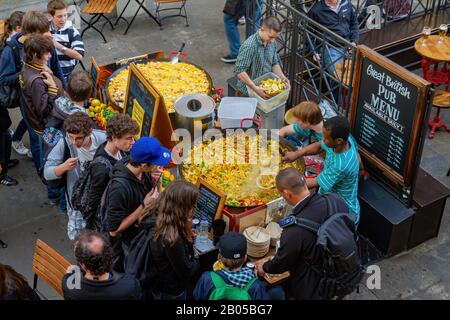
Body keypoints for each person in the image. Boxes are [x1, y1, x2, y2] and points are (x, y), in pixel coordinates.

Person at [255, 168, 349, 299]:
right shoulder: (335, 200)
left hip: (315, 285)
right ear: (305, 182)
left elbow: (282, 263)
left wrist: (264, 267)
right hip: (344, 271)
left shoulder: (294, 230)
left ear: (287, 194)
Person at [0, 11, 67, 175]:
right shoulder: (11, 50)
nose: (46, 36)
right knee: (38, 138)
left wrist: (64, 92)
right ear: (29, 32)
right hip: (29, 103)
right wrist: (27, 74)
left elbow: (56, 68)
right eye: (42, 33)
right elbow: (4, 79)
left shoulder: (44, 45)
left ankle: (53, 164)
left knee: (52, 134)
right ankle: (44, 171)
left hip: (51, 99)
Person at [103, 136, 171, 271]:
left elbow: (155, 198)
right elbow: (113, 229)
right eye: (156, 162)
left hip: (143, 233)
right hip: (131, 243)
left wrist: (159, 182)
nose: (160, 165)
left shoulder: (143, 172)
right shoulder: (120, 188)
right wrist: (143, 206)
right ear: (144, 165)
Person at [283, 116, 361, 224]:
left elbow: (315, 182)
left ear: (338, 140)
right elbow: (319, 146)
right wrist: (296, 154)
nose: (322, 140)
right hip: (328, 197)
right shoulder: (344, 141)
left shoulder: (341, 165)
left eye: (325, 138)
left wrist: (287, 183)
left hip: (341, 214)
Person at [44, 112, 106, 240]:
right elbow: (47, 173)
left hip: (101, 199)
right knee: (78, 237)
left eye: (78, 138)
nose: (74, 142)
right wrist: (63, 167)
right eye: (71, 137)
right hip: (77, 201)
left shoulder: (103, 139)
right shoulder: (64, 142)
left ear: (89, 132)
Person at [84, 114, 139, 230]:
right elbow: (93, 200)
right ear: (114, 138)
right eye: (129, 138)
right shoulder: (101, 168)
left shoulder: (121, 150)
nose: (133, 142)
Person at [194, 231, 284, 300]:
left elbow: (196, 296)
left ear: (219, 257)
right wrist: (253, 278)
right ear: (245, 258)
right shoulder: (256, 286)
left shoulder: (206, 278)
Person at [149, 180, 199, 300]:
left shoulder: (156, 214)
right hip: (171, 290)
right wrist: (196, 258)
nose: (195, 207)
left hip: (157, 281)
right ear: (182, 207)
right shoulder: (171, 238)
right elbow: (186, 270)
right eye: (192, 205)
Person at [62, 230, 142, 300]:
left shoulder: (69, 285)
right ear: (110, 256)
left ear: (82, 265)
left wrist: (73, 271)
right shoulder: (129, 285)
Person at [234, 16, 290, 98]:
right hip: (247, 93)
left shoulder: (271, 43)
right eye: (270, 37)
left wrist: (282, 77)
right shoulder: (250, 46)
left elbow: (274, 63)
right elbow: (239, 71)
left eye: (275, 37)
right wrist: (255, 88)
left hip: (264, 90)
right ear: (262, 29)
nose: (273, 41)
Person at [0, 11, 30, 158]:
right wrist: (23, 73)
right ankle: (15, 139)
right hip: (13, 91)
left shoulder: (18, 40)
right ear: (19, 28)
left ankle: (11, 138)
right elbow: (3, 78)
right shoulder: (9, 48)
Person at [307, 0, 359, 75]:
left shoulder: (346, 3)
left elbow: (354, 24)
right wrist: (313, 52)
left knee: (357, 74)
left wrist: (354, 41)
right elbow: (308, 33)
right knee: (339, 76)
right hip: (330, 48)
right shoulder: (316, 10)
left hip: (349, 46)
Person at [48, 0, 85, 84]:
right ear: (51, 16)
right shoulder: (45, 29)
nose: (63, 19)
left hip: (65, 76)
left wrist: (57, 45)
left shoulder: (71, 31)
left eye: (65, 15)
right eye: (59, 16)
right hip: (49, 75)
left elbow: (79, 56)